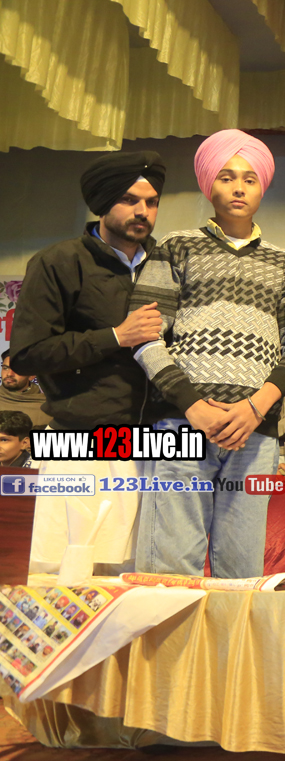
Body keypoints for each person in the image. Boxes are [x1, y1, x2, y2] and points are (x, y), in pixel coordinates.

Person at [129, 130, 285, 578]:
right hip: (179, 423)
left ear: (262, 187)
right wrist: (192, 406)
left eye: (249, 178)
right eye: (227, 177)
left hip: (255, 432)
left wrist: (256, 407)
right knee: (169, 568)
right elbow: (145, 338)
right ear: (210, 186)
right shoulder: (176, 246)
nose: (239, 187)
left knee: (242, 572)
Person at [10, 151, 168, 575]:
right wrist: (115, 336)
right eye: (129, 200)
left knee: (136, 576)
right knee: (64, 572)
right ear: (101, 202)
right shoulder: (59, 262)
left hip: (153, 443)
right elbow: (27, 353)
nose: (142, 211)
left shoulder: (167, 264)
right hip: (79, 438)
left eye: (151, 202)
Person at [0, 350, 51, 429]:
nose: (9, 374)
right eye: (5, 368)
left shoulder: (48, 407)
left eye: (17, 370)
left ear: (31, 375)